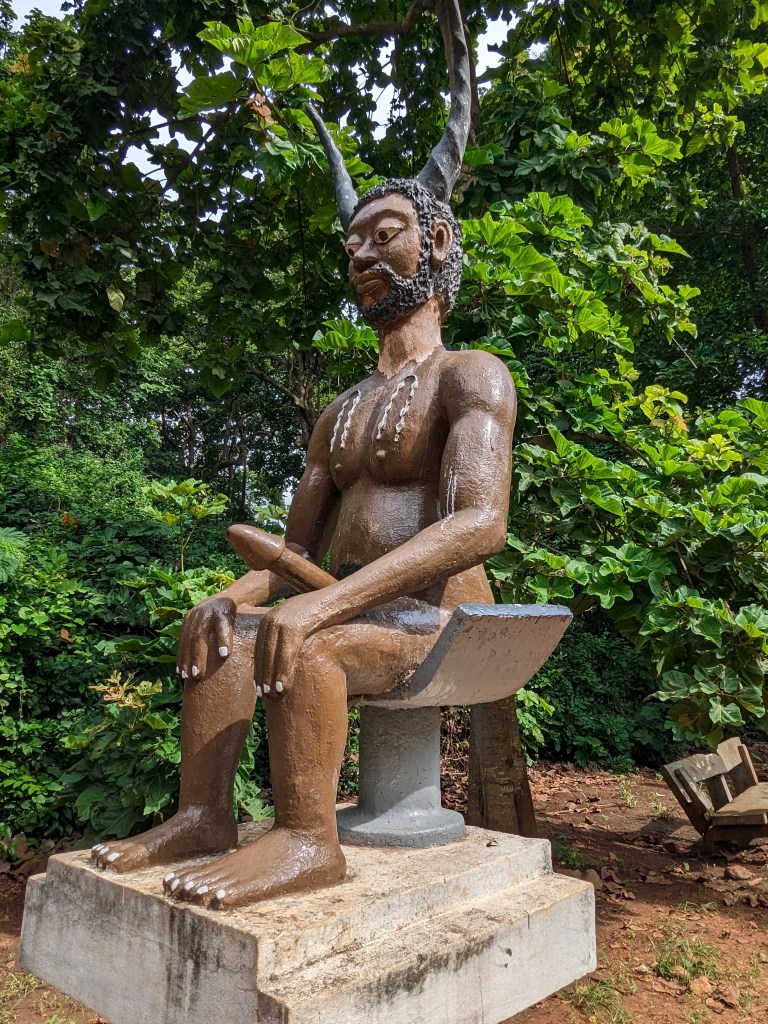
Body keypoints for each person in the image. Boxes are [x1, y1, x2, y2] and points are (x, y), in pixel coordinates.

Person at [90, 1, 517, 909]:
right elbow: (294, 558)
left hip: (439, 622)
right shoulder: (340, 412)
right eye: (352, 242)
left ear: (438, 241)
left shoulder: (471, 375)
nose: (362, 253)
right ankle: (202, 816)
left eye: (384, 233)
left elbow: (480, 524)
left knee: (310, 646)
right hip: (351, 607)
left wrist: (327, 604)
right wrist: (234, 597)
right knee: (223, 636)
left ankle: (306, 842)